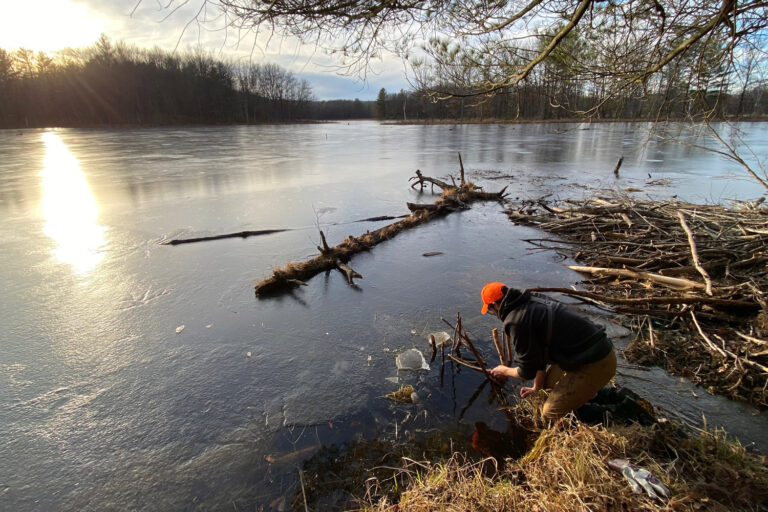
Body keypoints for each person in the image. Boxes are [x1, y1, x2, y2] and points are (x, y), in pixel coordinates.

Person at [481, 281, 616, 422]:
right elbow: (540, 353)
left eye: (490, 310)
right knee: (548, 385)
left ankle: (607, 415)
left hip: (597, 361)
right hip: (585, 352)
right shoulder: (528, 300)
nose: (493, 313)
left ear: (495, 305)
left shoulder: (516, 322)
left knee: (549, 414)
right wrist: (536, 387)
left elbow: (526, 372)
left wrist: (504, 370)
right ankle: (585, 394)